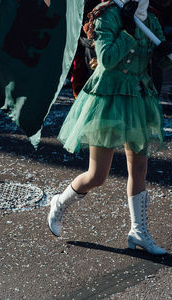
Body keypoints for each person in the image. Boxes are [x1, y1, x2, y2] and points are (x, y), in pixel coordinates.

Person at [48, 0, 172, 255]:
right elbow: (107, 59)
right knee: (98, 176)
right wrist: (126, 29)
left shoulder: (150, 18)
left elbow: (163, 60)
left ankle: (138, 231)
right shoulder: (107, 15)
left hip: (137, 98)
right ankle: (59, 203)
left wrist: (165, 53)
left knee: (139, 168)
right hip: (108, 100)